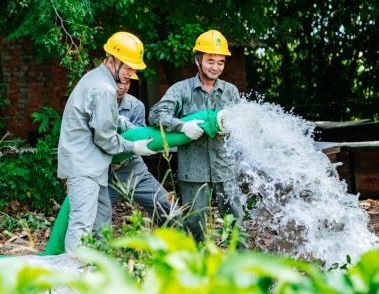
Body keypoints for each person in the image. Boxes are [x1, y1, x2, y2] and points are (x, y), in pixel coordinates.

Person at [58, 31, 155, 255]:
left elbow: (107, 118)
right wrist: (134, 147)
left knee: (101, 220)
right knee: (82, 225)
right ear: (111, 60)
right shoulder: (103, 88)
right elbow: (105, 137)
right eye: (128, 67)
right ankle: (74, 281)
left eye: (134, 67)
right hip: (84, 167)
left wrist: (133, 129)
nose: (132, 73)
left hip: (93, 166)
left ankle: (98, 270)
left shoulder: (96, 78)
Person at [148, 29, 242, 245]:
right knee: (195, 225)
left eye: (220, 62)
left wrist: (229, 130)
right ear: (198, 60)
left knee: (236, 223)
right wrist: (182, 126)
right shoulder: (181, 90)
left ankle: (241, 271)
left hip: (225, 168)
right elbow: (156, 114)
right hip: (193, 171)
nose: (215, 67)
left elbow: (241, 126)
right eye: (210, 61)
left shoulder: (231, 92)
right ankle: (197, 270)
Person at [93, 76, 177, 230]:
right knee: (94, 217)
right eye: (118, 82)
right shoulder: (98, 102)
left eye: (127, 82)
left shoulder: (136, 105)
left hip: (133, 170)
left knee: (167, 207)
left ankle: (179, 246)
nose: (122, 87)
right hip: (105, 174)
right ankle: (91, 250)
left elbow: (140, 138)